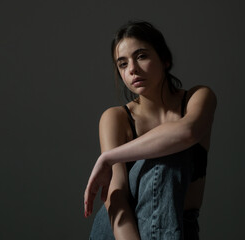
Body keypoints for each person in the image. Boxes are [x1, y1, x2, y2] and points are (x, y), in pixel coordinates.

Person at [84, 20, 217, 240]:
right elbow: (116, 197)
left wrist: (108, 158)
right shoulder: (116, 118)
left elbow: (188, 132)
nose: (132, 69)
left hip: (180, 227)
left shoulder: (198, 97)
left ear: (165, 59)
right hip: (121, 227)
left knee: (170, 149)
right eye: (123, 64)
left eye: (141, 56)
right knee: (164, 153)